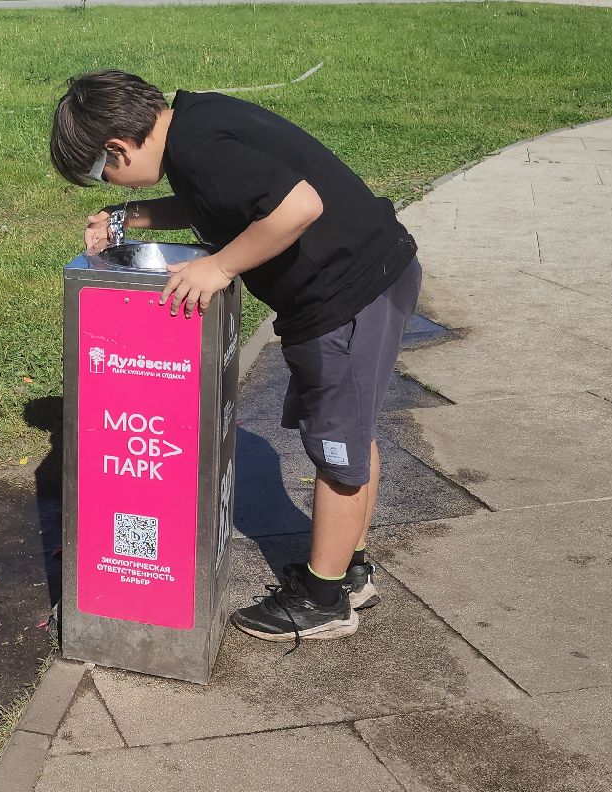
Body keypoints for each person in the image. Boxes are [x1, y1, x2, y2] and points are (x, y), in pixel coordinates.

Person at [50, 70, 420, 642]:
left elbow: (297, 207)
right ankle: (349, 570)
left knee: (337, 445)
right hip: (372, 275)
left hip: (346, 295)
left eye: (103, 175)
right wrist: (131, 217)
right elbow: (215, 200)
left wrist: (219, 267)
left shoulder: (198, 151)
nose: (109, 186)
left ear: (117, 147)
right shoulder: (196, 124)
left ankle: (323, 598)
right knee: (351, 430)